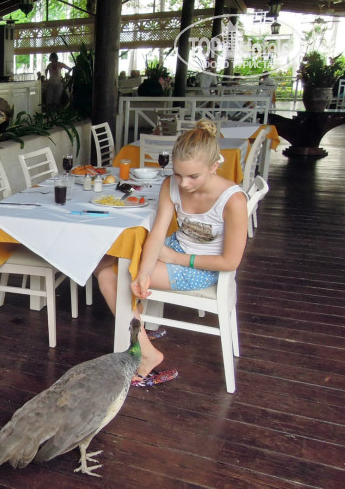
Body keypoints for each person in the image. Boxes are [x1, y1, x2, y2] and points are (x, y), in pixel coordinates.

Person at [93, 120, 248, 387]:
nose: (184, 183)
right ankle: (139, 322)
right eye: (177, 174)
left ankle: (146, 353)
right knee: (104, 263)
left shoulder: (232, 200)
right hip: (175, 246)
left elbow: (230, 261)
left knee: (110, 276)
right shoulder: (170, 184)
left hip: (203, 267)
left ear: (215, 166)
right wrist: (144, 272)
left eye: (193, 176)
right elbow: (157, 233)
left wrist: (174, 258)